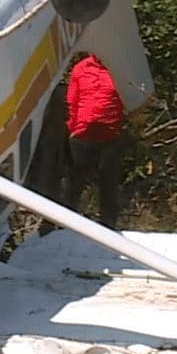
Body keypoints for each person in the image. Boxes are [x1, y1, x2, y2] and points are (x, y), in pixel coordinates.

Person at [59, 52, 127, 228]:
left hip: (110, 137)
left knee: (109, 184)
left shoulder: (119, 69)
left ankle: (108, 226)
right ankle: (64, 223)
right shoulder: (80, 69)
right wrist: (72, 129)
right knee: (74, 184)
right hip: (82, 137)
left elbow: (130, 98)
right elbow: (71, 101)